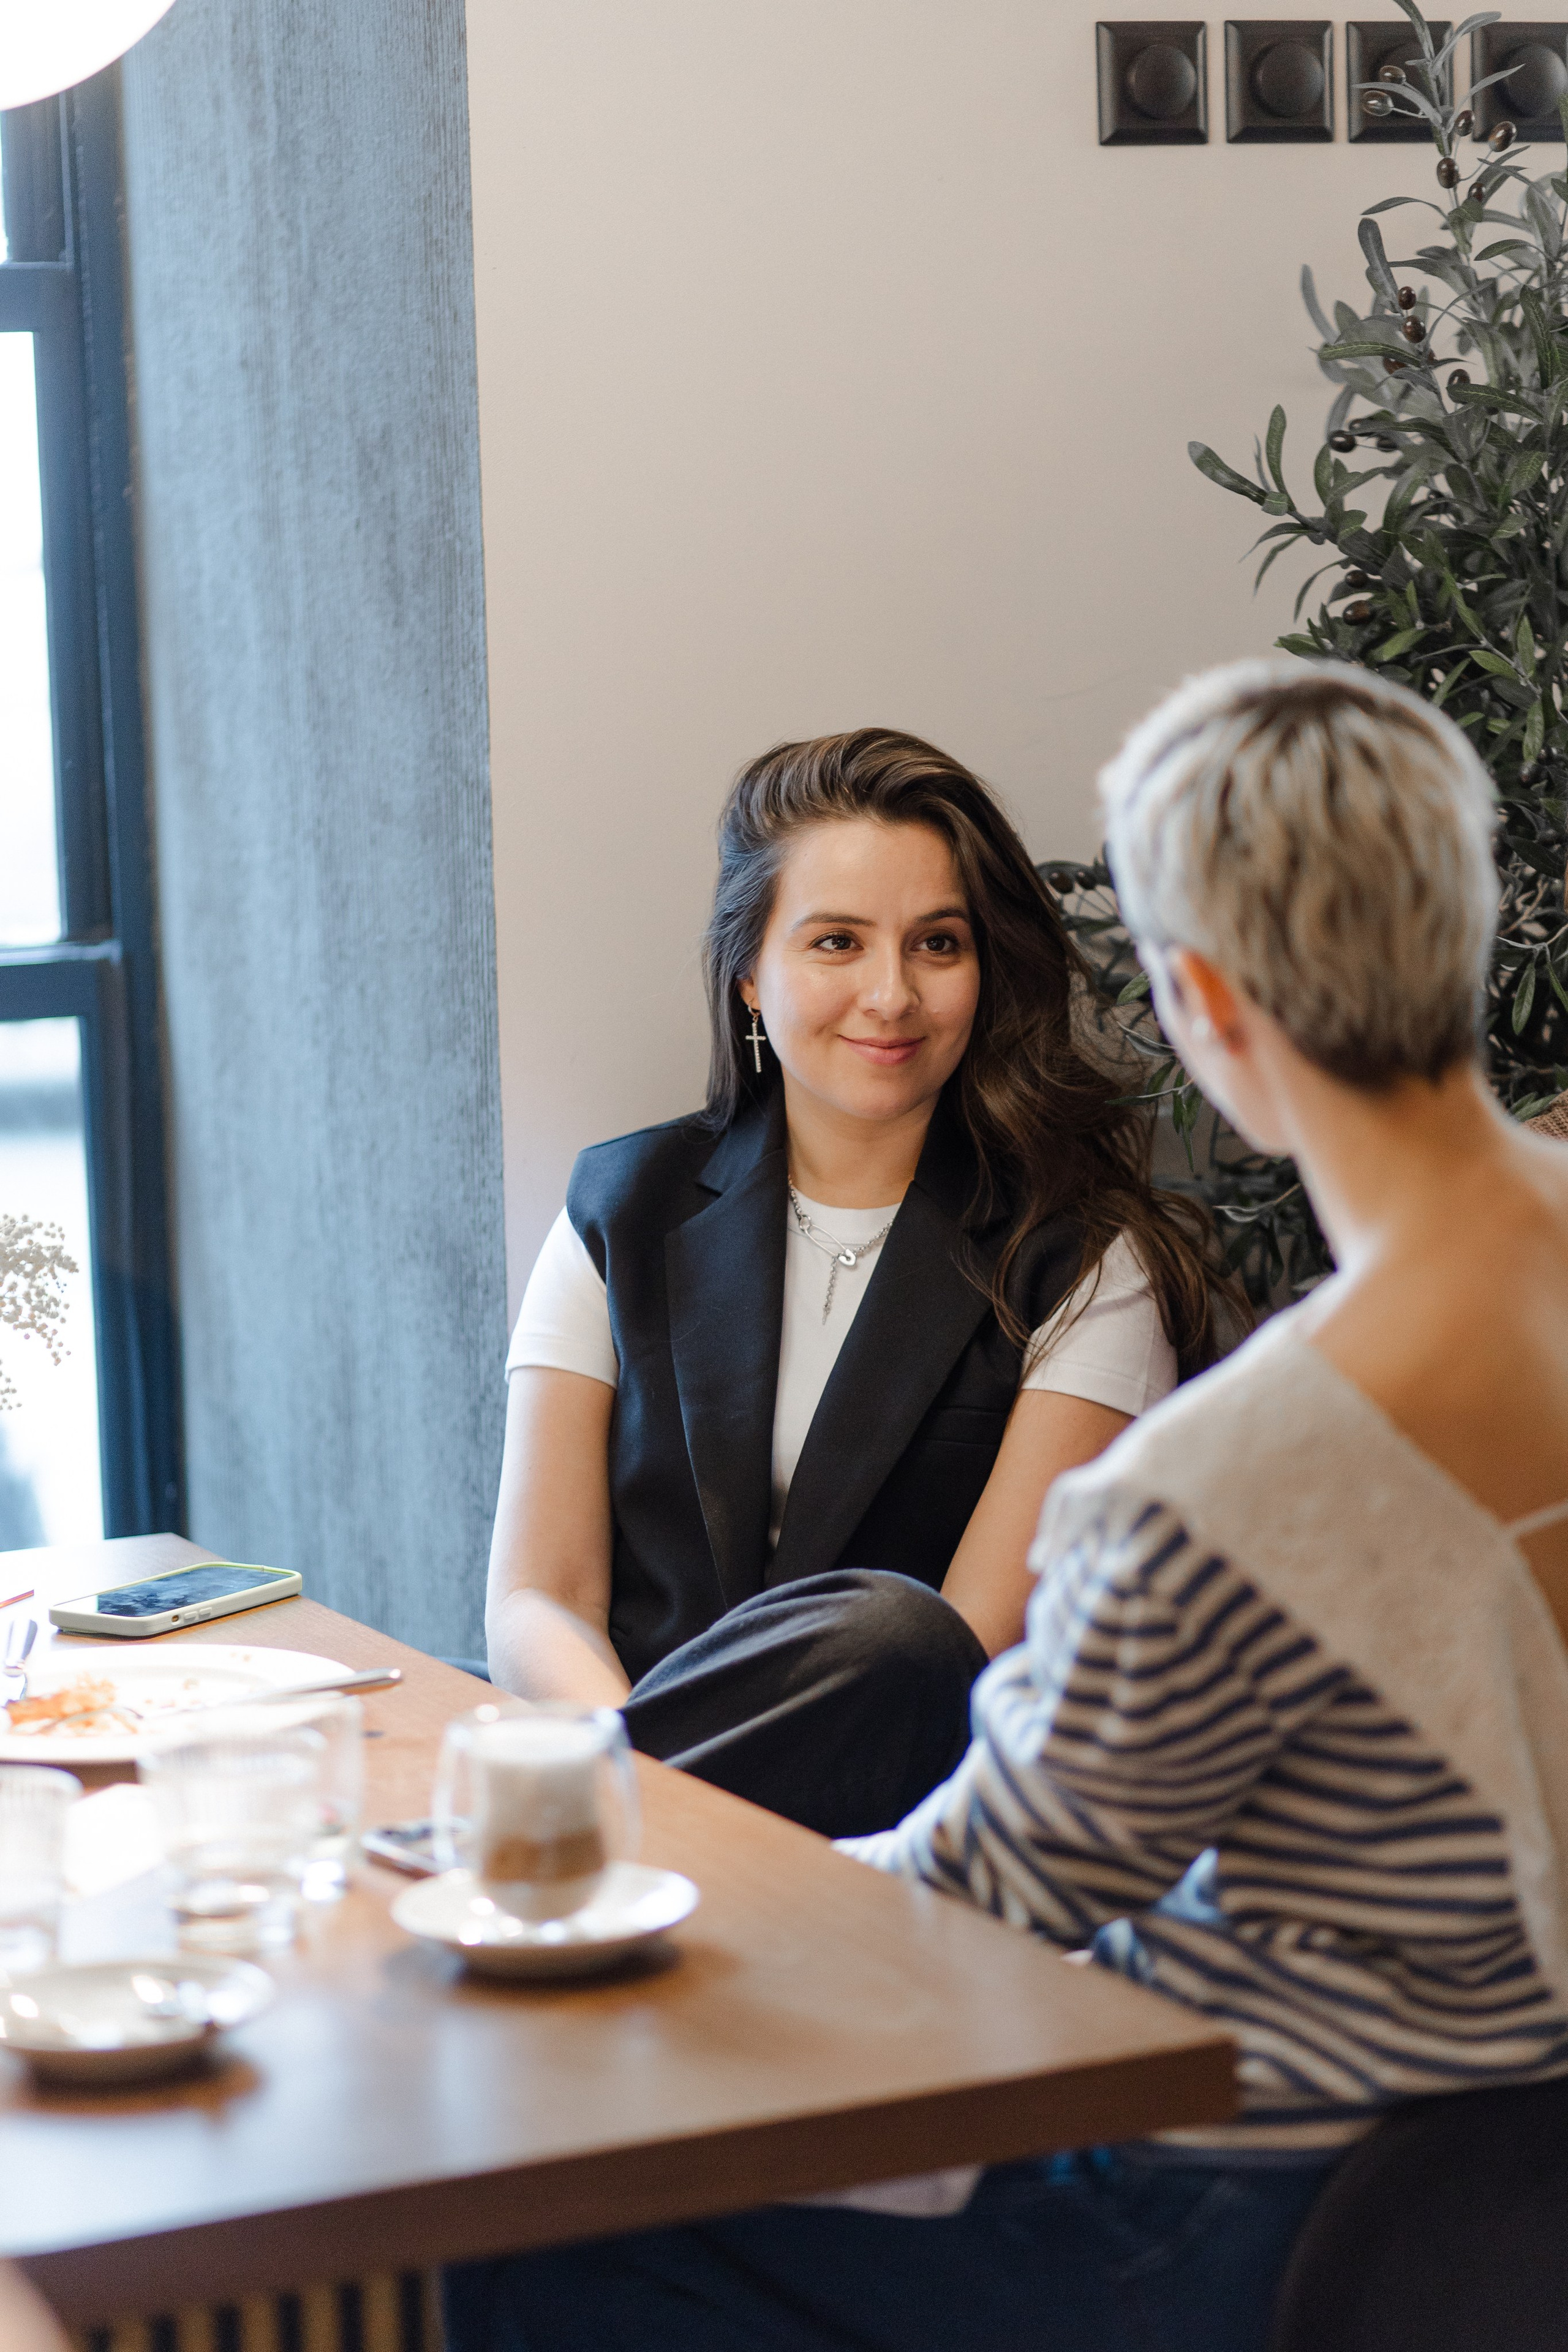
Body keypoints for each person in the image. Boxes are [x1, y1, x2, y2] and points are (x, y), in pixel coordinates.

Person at [447, 662, 1568, 2352]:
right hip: (1504, 2168)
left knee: (541, 2232)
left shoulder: (1220, 1480)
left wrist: (634, 1935)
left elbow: (992, 1886)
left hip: (1238, 2185)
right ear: (1470, 918)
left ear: (1197, 996)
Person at [486, 728, 1229, 1836]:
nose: (891, 995)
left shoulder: (1083, 1257)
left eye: (937, 944)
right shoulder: (620, 1206)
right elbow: (537, 1600)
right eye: (837, 942)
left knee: (899, 1634)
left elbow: (965, 1662)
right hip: (620, 1774)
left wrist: (623, 1796)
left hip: (899, 1823)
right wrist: (630, 1761)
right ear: (751, 975)